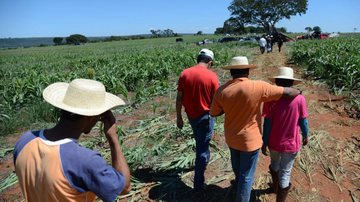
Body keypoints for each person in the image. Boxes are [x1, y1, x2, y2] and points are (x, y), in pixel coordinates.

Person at [13, 78, 131, 202]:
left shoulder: (25, 141)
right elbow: (125, 188)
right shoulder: (85, 161)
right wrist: (113, 139)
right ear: (91, 118)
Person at [210, 56, 301, 202]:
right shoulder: (258, 87)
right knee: (247, 176)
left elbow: (214, 112)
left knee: (238, 170)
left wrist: (228, 108)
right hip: (250, 141)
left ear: (231, 72)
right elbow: (288, 93)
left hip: (232, 138)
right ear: (248, 71)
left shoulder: (221, 91)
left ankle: (238, 187)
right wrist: (299, 91)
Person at [261, 67, 309, 202]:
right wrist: (305, 135)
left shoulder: (271, 99)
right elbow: (303, 121)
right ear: (292, 83)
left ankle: (275, 188)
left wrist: (264, 141)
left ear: (276, 82)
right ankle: (280, 197)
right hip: (291, 143)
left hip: (274, 142)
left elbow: (267, 123)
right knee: (285, 172)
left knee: (274, 163)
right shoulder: (300, 99)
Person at [176, 48, 219, 194]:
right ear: (210, 61)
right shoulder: (212, 77)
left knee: (201, 142)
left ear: (198, 58)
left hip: (191, 116)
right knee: (201, 148)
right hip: (206, 117)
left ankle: (203, 162)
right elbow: (216, 101)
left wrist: (179, 117)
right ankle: (198, 185)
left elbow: (179, 97)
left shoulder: (185, 74)